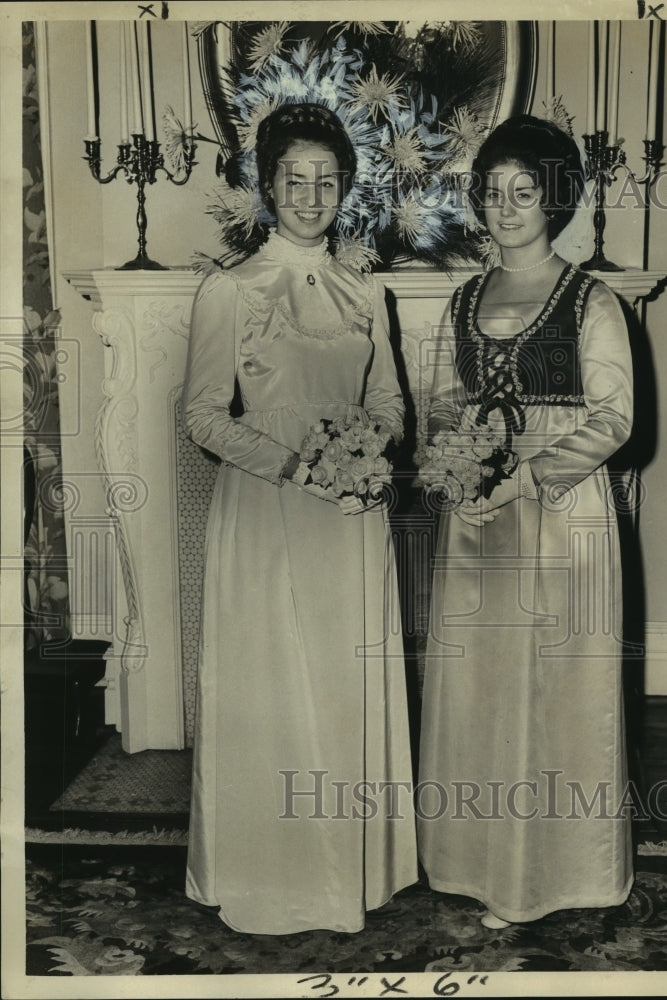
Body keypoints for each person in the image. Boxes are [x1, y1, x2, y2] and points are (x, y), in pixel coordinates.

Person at [183, 102, 417, 935]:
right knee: (273, 689)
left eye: (328, 179)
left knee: (344, 684)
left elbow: (387, 398)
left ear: (345, 186)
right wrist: (296, 466)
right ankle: (270, 875)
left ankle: (347, 876)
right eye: (295, 178)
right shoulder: (231, 288)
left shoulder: (368, 289)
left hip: (351, 515)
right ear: (267, 185)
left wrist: (369, 449)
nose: (312, 194)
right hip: (268, 508)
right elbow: (204, 417)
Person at [417, 115, 635, 929]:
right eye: (493, 192)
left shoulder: (592, 298)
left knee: (554, 688)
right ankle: (475, 864)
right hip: (477, 520)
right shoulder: (464, 298)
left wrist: (525, 476)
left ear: (555, 199)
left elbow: (615, 419)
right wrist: (455, 467)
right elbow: (442, 402)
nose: (506, 207)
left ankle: (559, 875)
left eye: (524, 191)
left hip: (557, 517)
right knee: (481, 688)